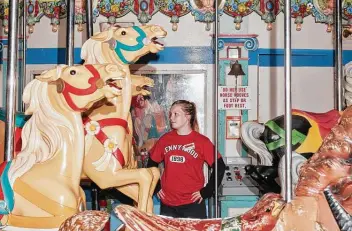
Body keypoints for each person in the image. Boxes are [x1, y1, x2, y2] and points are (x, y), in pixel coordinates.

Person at [147, 100, 226, 219]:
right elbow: (151, 164)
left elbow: (220, 167)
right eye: (171, 114)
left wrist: (207, 191)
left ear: (187, 116)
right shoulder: (165, 140)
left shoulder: (202, 142)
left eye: (176, 114)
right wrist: (156, 187)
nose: (171, 118)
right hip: (168, 204)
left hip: (192, 205)